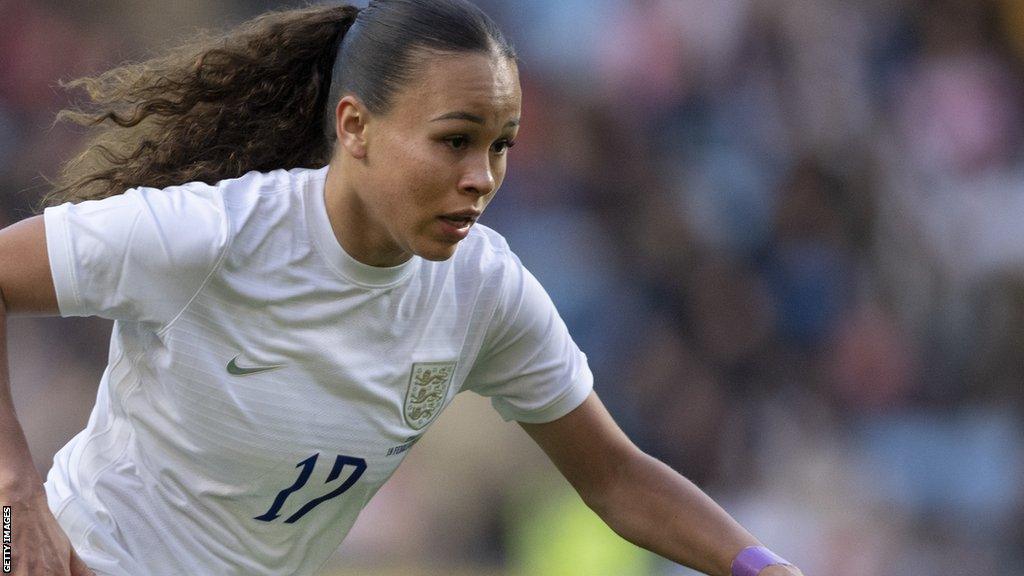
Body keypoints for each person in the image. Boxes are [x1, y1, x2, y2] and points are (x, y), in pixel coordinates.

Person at [0, 1, 806, 575]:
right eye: (454, 141)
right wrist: (15, 496)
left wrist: (760, 566)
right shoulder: (213, 236)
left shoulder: (484, 292)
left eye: (501, 146)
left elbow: (615, 475)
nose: (481, 178)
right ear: (354, 128)